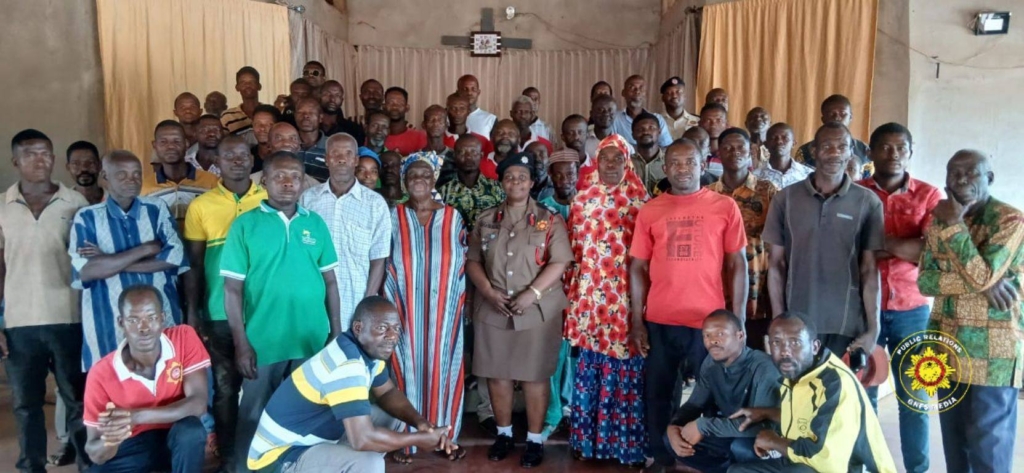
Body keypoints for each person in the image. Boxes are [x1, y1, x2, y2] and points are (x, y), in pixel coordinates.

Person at [629, 138, 748, 469]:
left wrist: (737, 320)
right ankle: (662, 456)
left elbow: (738, 264)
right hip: (660, 320)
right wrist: (637, 321)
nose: (683, 169)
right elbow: (637, 267)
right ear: (665, 168)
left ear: (703, 165)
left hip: (708, 323)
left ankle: (709, 459)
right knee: (658, 394)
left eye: (690, 162)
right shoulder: (650, 210)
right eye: (676, 163)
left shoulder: (724, 207)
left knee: (715, 397)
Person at [220, 150, 341, 472]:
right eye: (280, 176)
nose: (288, 183)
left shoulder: (315, 223)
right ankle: (245, 469)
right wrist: (241, 343)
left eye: (295, 177)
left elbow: (330, 282)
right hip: (263, 340)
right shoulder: (245, 225)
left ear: (303, 182)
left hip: (311, 339)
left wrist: (336, 333)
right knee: (253, 413)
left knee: (308, 412)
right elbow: (232, 290)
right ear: (265, 181)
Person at [246, 297, 460, 472]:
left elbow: (387, 392)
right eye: (382, 328)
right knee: (369, 463)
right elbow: (361, 439)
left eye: (396, 328)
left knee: (391, 417)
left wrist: (421, 424)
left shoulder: (367, 350)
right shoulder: (347, 364)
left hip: (314, 435)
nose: (392, 336)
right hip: (281, 457)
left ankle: (340, 464)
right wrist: (418, 439)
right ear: (358, 328)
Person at [918, 149, 1024, 473]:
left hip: (993, 355)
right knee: (956, 450)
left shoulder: (1010, 220)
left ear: (989, 178)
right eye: (954, 172)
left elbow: (981, 275)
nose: (961, 179)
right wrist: (985, 283)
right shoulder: (937, 220)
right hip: (948, 347)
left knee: (989, 452)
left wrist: (954, 225)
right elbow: (925, 281)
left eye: (971, 172)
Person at [469, 152, 572, 468]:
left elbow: (560, 261)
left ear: (531, 183)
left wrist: (533, 293)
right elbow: (472, 261)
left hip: (537, 310)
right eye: (510, 177)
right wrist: (488, 292)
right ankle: (503, 435)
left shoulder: (549, 219)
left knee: (534, 377)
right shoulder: (486, 219)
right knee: (497, 374)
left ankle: (535, 440)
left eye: (522, 177)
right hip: (494, 308)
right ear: (502, 182)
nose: (516, 182)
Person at [1, 129, 91, 473]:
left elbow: (88, 261)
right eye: (30, 154)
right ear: (16, 161)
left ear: (54, 158)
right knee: (26, 405)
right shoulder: (2, 206)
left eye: (45, 153)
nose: (39, 160)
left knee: (78, 401)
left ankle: (88, 464)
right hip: (19, 323)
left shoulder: (75, 202)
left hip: (70, 317)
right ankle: (31, 466)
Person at [852, 123, 939, 473]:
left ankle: (917, 470)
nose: (894, 154)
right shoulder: (855, 192)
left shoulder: (928, 196)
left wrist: (877, 245)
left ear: (911, 152)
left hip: (911, 310)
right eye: (885, 147)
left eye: (901, 147)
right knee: (863, 396)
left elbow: (930, 251)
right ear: (871, 153)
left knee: (914, 398)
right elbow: (849, 248)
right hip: (862, 310)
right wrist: (903, 246)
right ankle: (867, 467)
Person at [182, 135, 267, 473]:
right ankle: (230, 458)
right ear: (216, 161)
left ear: (252, 159)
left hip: (264, 312)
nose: (237, 161)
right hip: (219, 311)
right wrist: (193, 312)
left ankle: (261, 456)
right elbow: (194, 265)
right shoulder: (201, 206)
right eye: (229, 156)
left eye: (243, 155)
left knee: (262, 387)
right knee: (225, 389)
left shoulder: (269, 199)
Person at [763, 123, 883, 358]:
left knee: (844, 383)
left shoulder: (867, 202)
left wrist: (873, 328)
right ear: (814, 151)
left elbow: (870, 269)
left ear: (851, 152)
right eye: (827, 146)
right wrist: (779, 320)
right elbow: (776, 265)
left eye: (842, 147)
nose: (835, 153)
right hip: (797, 323)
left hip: (847, 324)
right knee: (799, 383)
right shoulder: (785, 199)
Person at [565, 135, 649, 466]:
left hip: (628, 302)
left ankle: (626, 448)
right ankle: (587, 443)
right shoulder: (581, 200)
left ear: (628, 162)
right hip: (590, 302)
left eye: (617, 158)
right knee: (590, 369)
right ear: (595, 162)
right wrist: (573, 300)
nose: (610, 164)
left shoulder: (642, 202)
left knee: (626, 371)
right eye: (605, 158)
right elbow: (574, 253)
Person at [728, 313, 896, 473]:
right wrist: (764, 413)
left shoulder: (834, 384)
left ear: (814, 347)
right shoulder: (799, 371)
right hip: (810, 461)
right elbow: (806, 417)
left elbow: (824, 459)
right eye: (776, 342)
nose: (785, 351)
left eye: (795, 342)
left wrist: (773, 441)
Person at [384, 152, 469, 463]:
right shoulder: (393, 215)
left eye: (425, 175)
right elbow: (382, 260)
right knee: (404, 370)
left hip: (445, 310)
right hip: (402, 308)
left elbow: (464, 262)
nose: (418, 180)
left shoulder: (453, 217)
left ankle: (445, 439)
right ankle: (405, 440)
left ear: (434, 180)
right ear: (404, 181)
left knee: (445, 371)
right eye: (412, 175)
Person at [70, 150, 189, 370]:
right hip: (106, 321)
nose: (131, 180)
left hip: (160, 318)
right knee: (112, 383)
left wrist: (108, 262)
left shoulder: (156, 209)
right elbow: (86, 271)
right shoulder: (87, 217)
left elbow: (175, 257)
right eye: (122, 174)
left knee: (165, 378)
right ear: (105, 177)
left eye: (136, 174)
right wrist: (146, 249)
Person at [82, 285, 210, 473]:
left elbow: (198, 404)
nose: (144, 328)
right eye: (133, 320)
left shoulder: (183, 338)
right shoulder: (101, 373)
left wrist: (136, 417)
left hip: (176, 438)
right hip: (133, 445)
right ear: (121, 322)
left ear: (162, 318)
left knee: (191, 431)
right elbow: (95, 453)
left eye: (151, 318)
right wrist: (111, 439)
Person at [665, 310, 781, 473]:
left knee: (741, 447)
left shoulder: (763, 367)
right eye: (707, 335)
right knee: (673, 438)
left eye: (720, 334)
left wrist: (704, 426)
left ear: (740, 336)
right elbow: (694, 404)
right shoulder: (710, 363)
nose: (713, 341)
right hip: (729, 430)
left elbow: (763, 425)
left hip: (764, 437)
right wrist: (674, 425)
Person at [301, 133, 391, 329]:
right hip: (313, 304)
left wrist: (366, 307)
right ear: (326, 159)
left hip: (355, 305)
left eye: (348, 153)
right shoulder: (308, 200)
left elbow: (378, 260)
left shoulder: (375, 204)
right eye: (335, 153)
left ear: (355, 160)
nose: (341, 159)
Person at [707, 128, 778, 338]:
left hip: (759, 283)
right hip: (717, 281)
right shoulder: (708, 194)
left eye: (740, 147)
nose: (735, 152)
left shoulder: (767, 191)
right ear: (719, 152)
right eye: (728, 148)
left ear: (750, 151)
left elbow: (779, 239)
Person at [142, 120, 219, 228]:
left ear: (186, 144)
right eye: (163, 142)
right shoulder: (144, 189)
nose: (170, 146)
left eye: (177, 141)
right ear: (154, 145)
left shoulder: (212, 182)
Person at [439, 134, 506, 232]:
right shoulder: (443, 193)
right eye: (462, 152)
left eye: (474, 152)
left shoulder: (497, 189)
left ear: (481, 155)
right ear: (454, 156)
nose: (468, 157)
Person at [795, 95, 869, 170]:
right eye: (831, 114)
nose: (837, 117)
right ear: (823, 119)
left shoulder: (864, 150)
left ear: (850, 117)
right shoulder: (805, 152)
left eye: (843, 113)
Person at [249, 122, 321, 192]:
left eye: (293, 138)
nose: (286, 143)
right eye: (278, 138)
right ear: (268, 145)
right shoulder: (251, 182)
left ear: (299, 146)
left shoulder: (313, 187)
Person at [611, 75, 673, 147]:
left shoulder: (658, 119)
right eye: (632, 88)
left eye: (641, 88)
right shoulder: (614, 119)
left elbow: (667, 147)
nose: (637, 91)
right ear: (623, 93)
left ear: (645, 93)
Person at [753, 123, 812, 189]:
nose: (779, 141)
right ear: (766, 144)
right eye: (773, 138)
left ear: (793, 143)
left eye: (785, 138)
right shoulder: (755, 176)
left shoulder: (808, 175)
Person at [220, 66, 263, 145]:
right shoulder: (227, 116)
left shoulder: (268, 112)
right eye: (243, 82)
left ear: (259, 86)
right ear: (237, 87)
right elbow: (224, 144)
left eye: (252, 81)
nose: (248, 85)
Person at [293, 97, 330, 182]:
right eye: (300, 112)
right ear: (295, 116)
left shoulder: (332, 146)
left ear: (320, 117)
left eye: (311, 112)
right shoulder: (287, 145)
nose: (306, 116)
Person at [631, 111, 667, 194]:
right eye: (640, 129)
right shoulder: (626, 163)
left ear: (659, 132)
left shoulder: (669, 162)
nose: (646, 132)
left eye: (651, 128)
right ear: (633, 135)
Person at [383, 87, 428, 155]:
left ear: (407, 108)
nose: (394, 107)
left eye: (400, 103)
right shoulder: (377, 136)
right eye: (390, 102)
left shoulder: (420, 137)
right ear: (384, 107)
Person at [319, 80, 365, 145]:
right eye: (327, 94)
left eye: (337, 95)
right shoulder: (310, 125)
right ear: (319, 96)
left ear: (342, 100)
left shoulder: (353, 129)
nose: (332, 99)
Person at [420, 104, 456, 187]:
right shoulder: (415, 157)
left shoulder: (455, 158)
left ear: (446, 125)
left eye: (440, 120)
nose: (435, 123)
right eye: (431, 120)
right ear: (423, 125)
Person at [539, 150, 578, 219]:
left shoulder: (589, 206)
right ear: (551, 175)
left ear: (577, 175)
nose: (564, 181)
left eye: (570, 174)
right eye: (558, 175)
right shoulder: (541, 209)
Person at [562, 114, 597, 189]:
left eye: (580, 132)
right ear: (563, 137)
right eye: (571, 133)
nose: (576, 137)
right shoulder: (554, 167)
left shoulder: (598, 168)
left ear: (587, 135)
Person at [67, 140, 105, 204]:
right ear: (68, 167)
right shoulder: (60, 204)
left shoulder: (116, 200)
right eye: (76, 163)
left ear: (99, 165)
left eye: (90, 163)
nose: (84, 168)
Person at [699, 103, 729, 177]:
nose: (713, 125)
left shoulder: (732, 152)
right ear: (700, 124)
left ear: (726, 124)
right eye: (708, 120)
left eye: (718, 120)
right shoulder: (694, 152)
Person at [250, 104, 280, 173]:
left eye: (268, 124)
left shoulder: (285, 156)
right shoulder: (248, 156)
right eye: (257, 124)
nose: (262, 128)